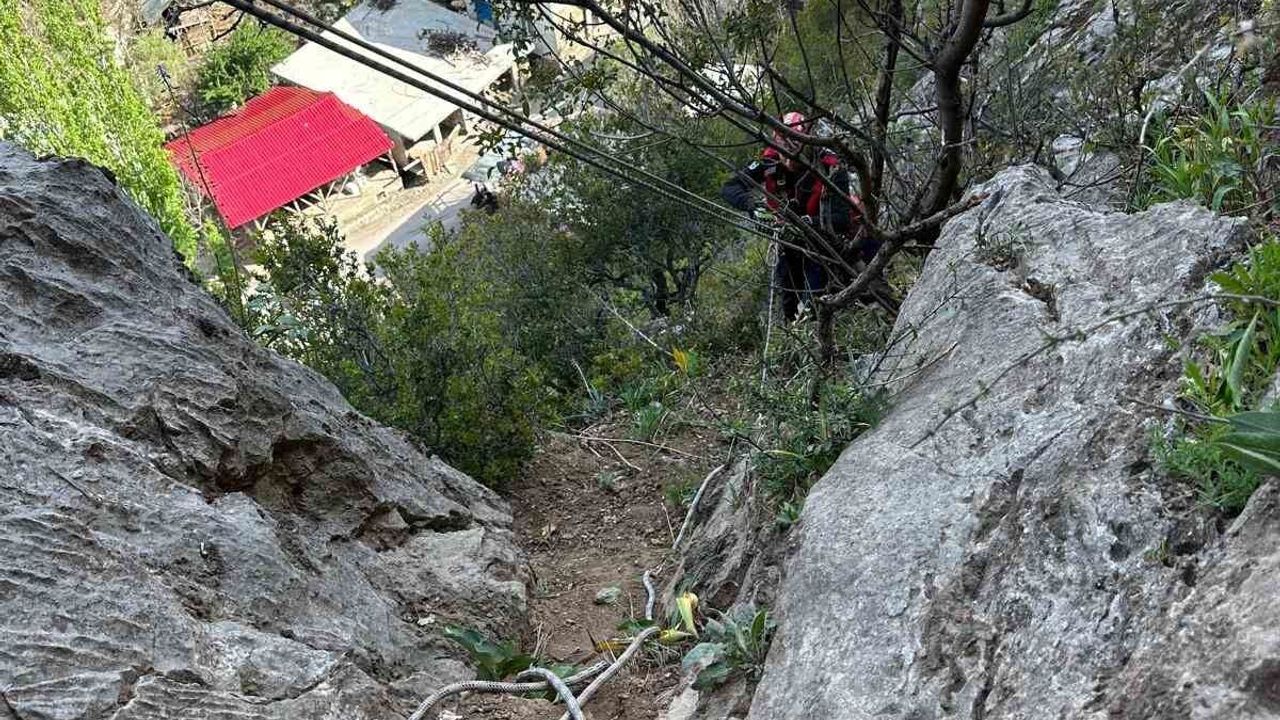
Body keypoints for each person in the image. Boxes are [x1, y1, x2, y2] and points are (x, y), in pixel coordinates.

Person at [721, 112, 875, 320]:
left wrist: (809, 223)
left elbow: (841, 219)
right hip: (793, 242)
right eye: (783, 149)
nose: (788, 157)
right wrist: (754, 208)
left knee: (821, 296)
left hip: (830, 241)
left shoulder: (830, 166)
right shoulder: (769, 162)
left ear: (807, 142)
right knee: (789, 299)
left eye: (794, 148)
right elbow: (730, 188)